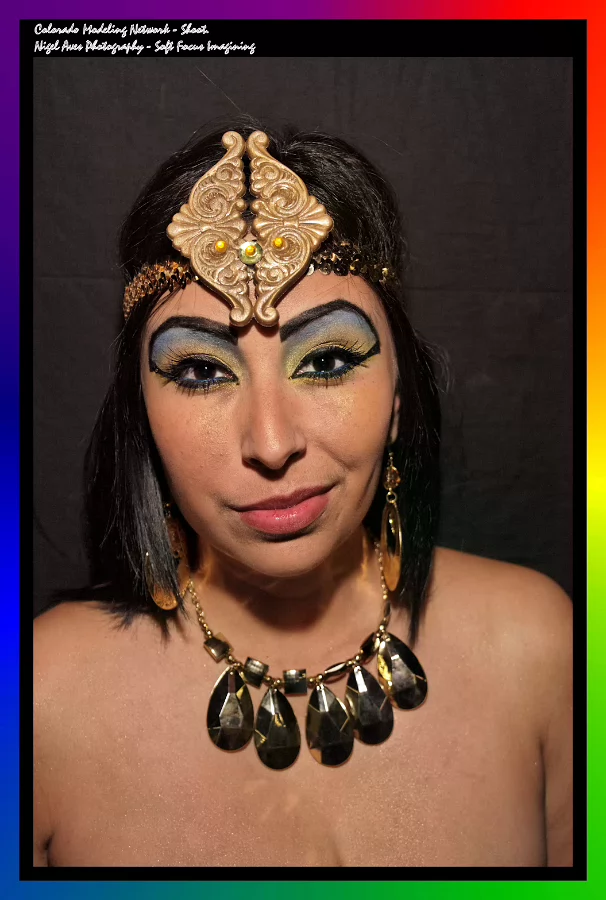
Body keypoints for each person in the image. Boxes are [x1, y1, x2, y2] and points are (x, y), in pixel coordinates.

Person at [33, 117, 572, 868]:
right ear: (142, 417)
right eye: (200, 371)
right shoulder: (39, 697)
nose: (271, 441)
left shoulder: (539, 645)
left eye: (325, 362)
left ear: (399, 400)